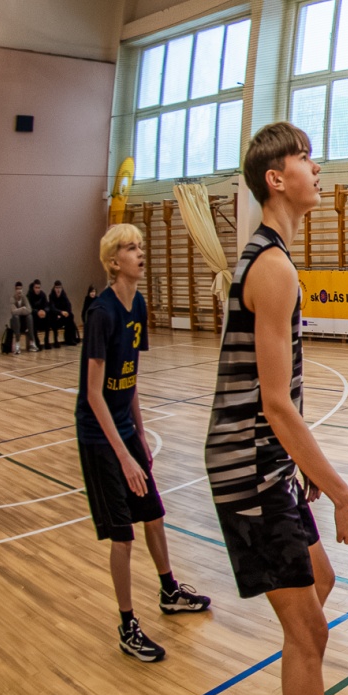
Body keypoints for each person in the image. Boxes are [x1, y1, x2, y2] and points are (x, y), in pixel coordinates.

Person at [205, 123, 348, 695]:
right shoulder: (273, 268)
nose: (318, 168)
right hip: (249, 467)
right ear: (276, 178)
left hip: (267, 461)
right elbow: (275, 403)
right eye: (305, 159)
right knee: (308, 630)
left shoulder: (273, 258)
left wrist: (297, 465)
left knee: (320, 581)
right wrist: (344, 492)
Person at [77, 224, 211, 662]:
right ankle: (127, 625)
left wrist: (139, 437)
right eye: (130, 247)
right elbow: (94, 393)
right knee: (123, 536)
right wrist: (123, 455)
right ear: (114, 262)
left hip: (125, 432)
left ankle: (169, 591)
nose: (139, 252)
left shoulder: (138, 305)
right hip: (99, 437)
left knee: (154, 514)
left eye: (140, 245)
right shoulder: (101, 313)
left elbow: (129, 378)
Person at [47, 280, 78, 347]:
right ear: (54, 288)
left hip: (62, 317)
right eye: (57, 288)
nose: (58, 290)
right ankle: (56, 341)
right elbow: (52, 308)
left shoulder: (63, 295)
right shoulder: (51, 296)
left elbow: (69, 305)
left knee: (70, 316)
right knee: (53, 318)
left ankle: (69, 339)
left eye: (59, 288)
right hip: (55, 317)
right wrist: (60, 312)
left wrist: (67, 312)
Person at [8, 282, 36, 352]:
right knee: (16, 317)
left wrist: (19, 311)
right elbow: (13, 312)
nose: (19, 291)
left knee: (29, 316)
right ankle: (17, 344)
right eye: (18, 289)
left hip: (23, 322)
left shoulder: (24, 298)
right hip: (15, 323)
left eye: (20, 289)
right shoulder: (12, 298)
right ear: (15, 290)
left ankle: (32, 343)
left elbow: (29, 310)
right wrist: (22, 309)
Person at [29, 281, 53, 347]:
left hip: (42, 316)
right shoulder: (29, 295)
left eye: (39, 287)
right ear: (33, 288)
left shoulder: (42, 295)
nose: (37, 289)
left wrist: (44, 311)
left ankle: (46, 340)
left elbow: (47, 306)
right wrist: (37, 312)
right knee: (31, 318)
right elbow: (29, 309)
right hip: (34, 317)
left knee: (48, 316)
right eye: (36, 287)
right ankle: (37, 342)